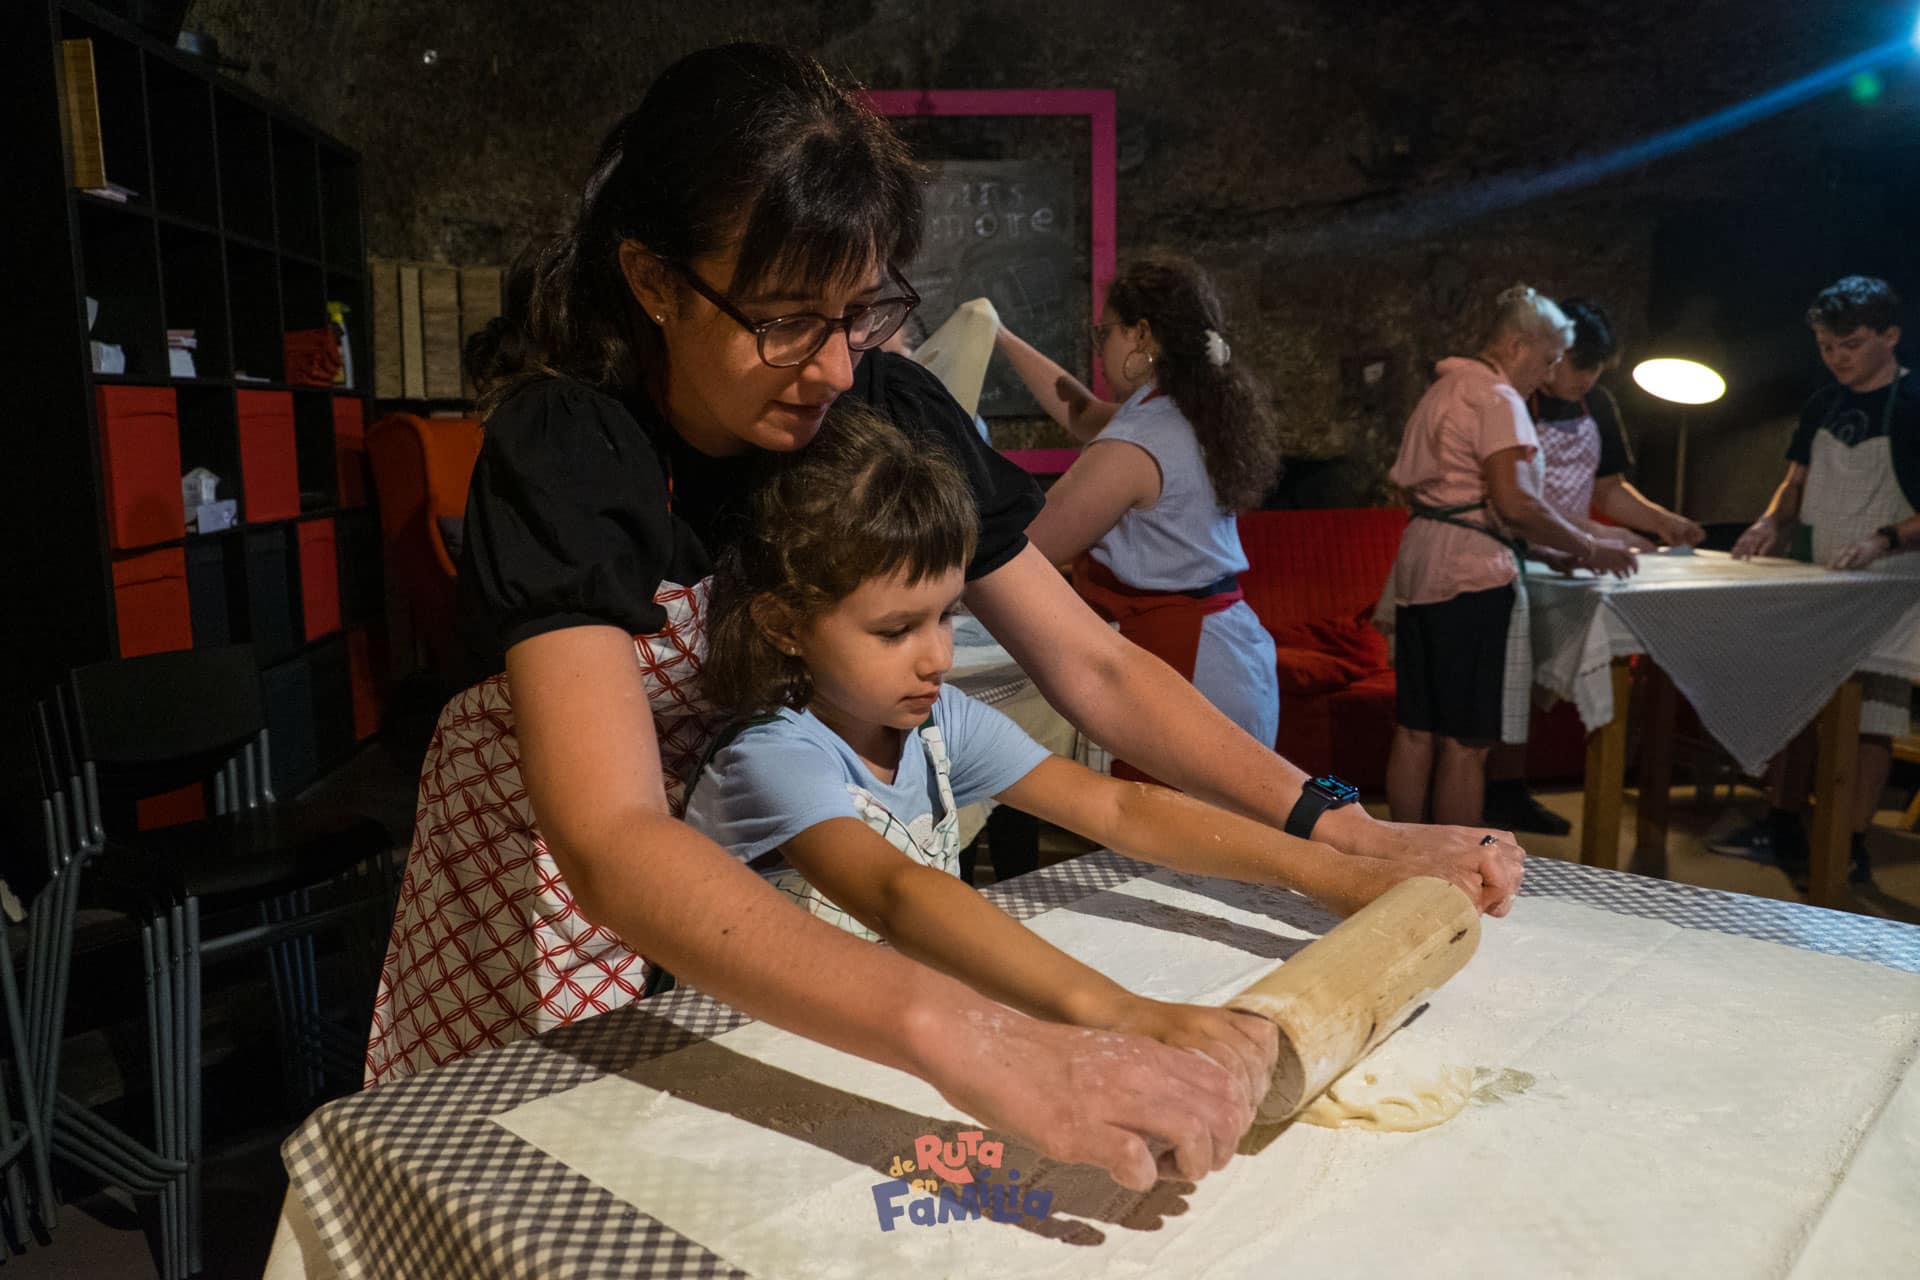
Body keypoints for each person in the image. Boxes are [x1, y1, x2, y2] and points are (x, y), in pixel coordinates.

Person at [368, 43, 1521, 1190]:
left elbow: (1097, 668)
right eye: (780, 318)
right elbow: (614, 838)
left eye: (854, 311)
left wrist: (1345, 836)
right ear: (655, 280)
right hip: (552, 888)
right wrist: (987, 1039)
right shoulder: (574, 447)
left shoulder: (885, 410)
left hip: (751, 883)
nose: (827, 368)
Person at [683, 404, 1428, 1036]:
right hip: (757, 1041)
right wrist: (1127, 1014)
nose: (936, 656)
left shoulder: (938, 723)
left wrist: (1333, 871)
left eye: (945, 616)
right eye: (894, 630)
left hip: (891, 1017)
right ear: (783, 624)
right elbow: (897, 894)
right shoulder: (773, 757)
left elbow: (1117, 805)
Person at [991, 256, 1283, 775]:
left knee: (1174, 841)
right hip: (1230, 650)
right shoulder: (1184, 412)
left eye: (1104, 332)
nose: (1099, 348)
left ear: (1141, 336)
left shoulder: (1136, 444)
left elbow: (1027, 550)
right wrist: (998, 337)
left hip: (1187, 663)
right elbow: (1078, 412)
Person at [1383, 285, 1639, 829]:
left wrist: (1552, 547)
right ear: (1518, 345)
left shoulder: (1444, 388)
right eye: (1546, 360)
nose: (1546, 376)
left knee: (1415, 730)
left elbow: (1457, 497)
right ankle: (1454, 869)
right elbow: (1514, 502)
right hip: (1470, 579)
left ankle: (1400, 853)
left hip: (1419, 565)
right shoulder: (1497, 399)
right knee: (1467, 742)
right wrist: (1590, 547)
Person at [1484, 298, 1706, 835]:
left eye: (1596, 370)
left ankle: (1514, 790)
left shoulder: (1598, 404)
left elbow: (1608, 489)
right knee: (1507, 679)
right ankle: (1501, 789)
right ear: (1552, 357)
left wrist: (1661, 523)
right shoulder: (1514, 400)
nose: (1588, 379)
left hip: (1578, 543)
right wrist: (1585, 542)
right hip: (1522, 550)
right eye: (1579, 367)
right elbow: (1512, 501)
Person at [1725, 276, 1919, 886]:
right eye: (1826, 346)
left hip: (1889, 581)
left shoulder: (1915, 403)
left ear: (1890, 335)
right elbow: (1795, 480)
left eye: (1851, 345)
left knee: (1872, 718)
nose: (1837, 358)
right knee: (1797, 703)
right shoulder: (1822, 402)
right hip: (1819, 575)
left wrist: (1884, 538)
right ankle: (1783, 822)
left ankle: (1851, 841)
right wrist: (1769, 520)